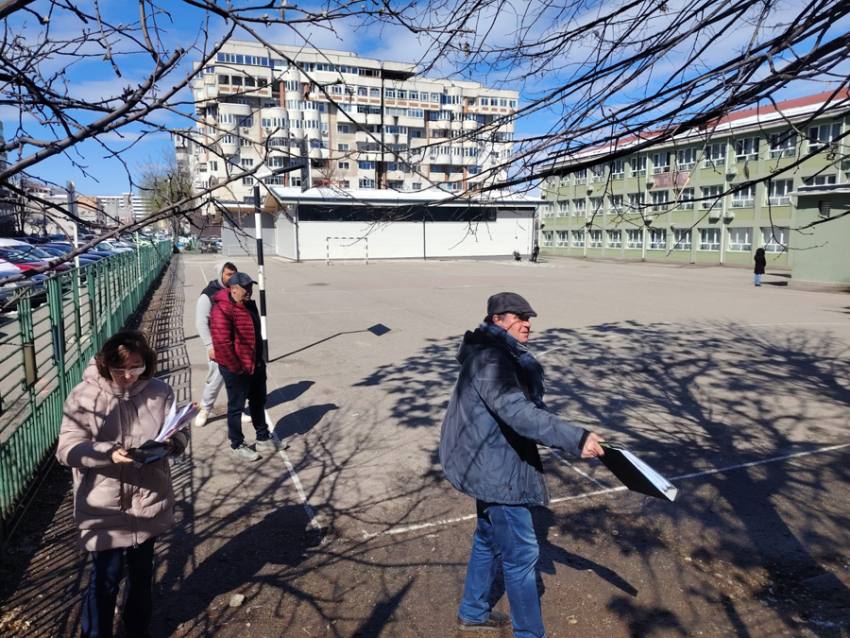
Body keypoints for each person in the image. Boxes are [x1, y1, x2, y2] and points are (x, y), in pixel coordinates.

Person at [439, 292, 605, 637]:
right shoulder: (491, 360)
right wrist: (576, 437)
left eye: (529, 318)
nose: (527, 324)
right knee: (521, 556)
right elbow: (517, 412)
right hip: (496, 468)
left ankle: (472, 611)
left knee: (487, 537)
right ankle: (530, 633)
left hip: (483, 461)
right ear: (497, 320)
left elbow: (517, 410)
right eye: (518, 317)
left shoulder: (490, 352)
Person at [56, 330, 187, 638]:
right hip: (104, 507)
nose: (128, 375)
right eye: (119, 369)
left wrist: (172, 444)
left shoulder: (160, 392)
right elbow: (67, 449)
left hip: (148, 503)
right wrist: (106, 453)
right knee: (105, 579)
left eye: (137, 367)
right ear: (105, 365)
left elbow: (178, 432)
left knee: (142, 577)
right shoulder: (84, 397)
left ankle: (137, 628)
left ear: (148, 363)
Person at [209, 271, 274, 461]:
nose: (249, 291)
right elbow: (222, 344)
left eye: (250, 287)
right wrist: (236, 369)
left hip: (254, 364)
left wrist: (259, 363)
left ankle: (263, 437)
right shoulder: (221, 309)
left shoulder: (248, 304)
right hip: (236, 368)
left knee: (258, 401)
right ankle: (237, 444)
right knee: (236, 407)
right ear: (233, 289)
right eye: (245, 288)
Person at [193, 261, 251, 428]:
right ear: (221, 275)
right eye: (228, 274)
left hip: (237, 343)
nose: (232, 277)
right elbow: (201, 322)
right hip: (219, 344)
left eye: (234, 274)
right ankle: (205, 408)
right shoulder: (208, 295)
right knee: (216, 378)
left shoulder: (236, 290)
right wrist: (209, 345)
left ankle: (237, 410)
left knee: (238, 380)